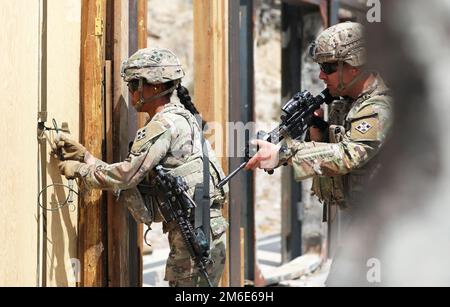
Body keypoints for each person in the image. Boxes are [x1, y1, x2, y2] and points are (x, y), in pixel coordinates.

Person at [54, 48, 228, 287]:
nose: (131, 92)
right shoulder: (182, 118)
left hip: (194, 236)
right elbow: (133, 171)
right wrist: (87, 158)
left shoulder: (163, 126)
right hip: (204, 229)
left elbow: (127, 176)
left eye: (134, 84)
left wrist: (82, 170)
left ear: (155, 87)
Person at [245, 21, 393, 278]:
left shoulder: (379, 106)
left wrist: (284, 153)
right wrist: (316, 125)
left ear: (354, 65)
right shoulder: (347, 103)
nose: (322, 76)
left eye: (328, 67)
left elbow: (348, 155)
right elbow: (328, 147)